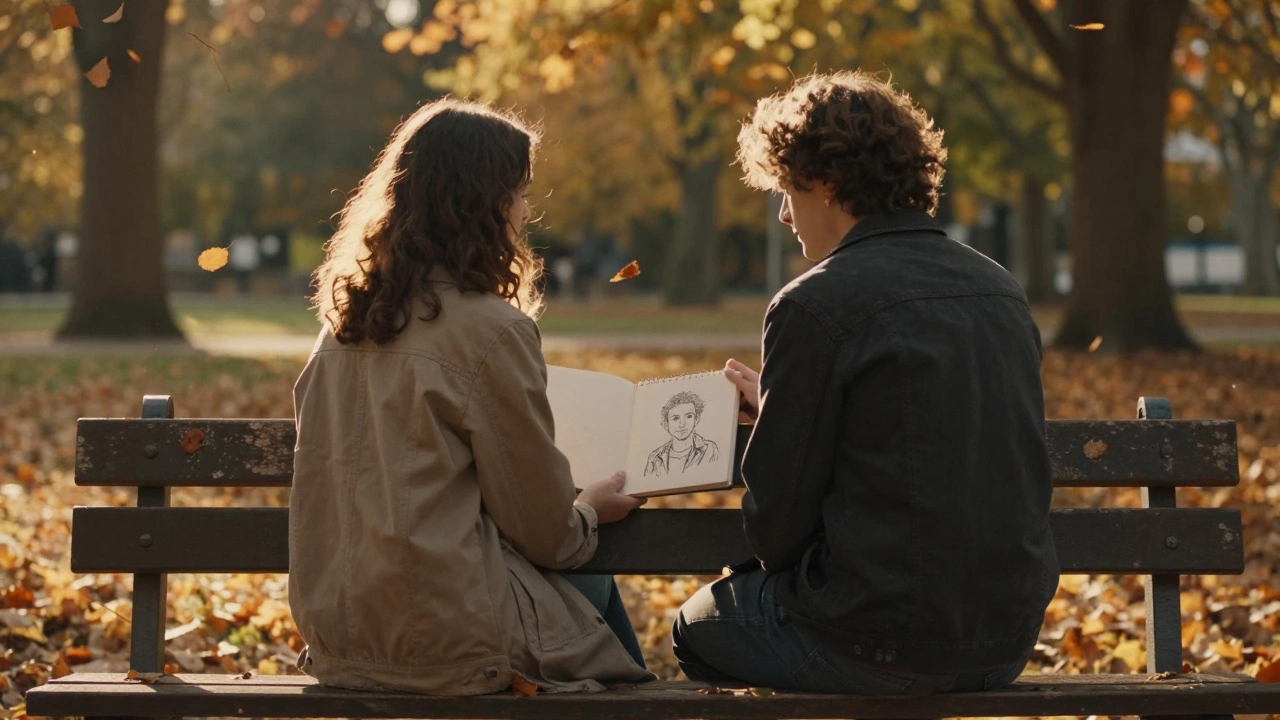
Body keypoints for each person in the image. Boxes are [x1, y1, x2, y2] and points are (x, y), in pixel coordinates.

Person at [671, 70, 1059, 694]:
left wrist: (782, 426)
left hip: (876, 641)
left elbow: (777, 530)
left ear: (825, 181)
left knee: (694, 626)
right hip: (1005, 641)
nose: (782, 212)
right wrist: (785, 403)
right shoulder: (1000, 288)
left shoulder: (814, 304)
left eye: (786, 188)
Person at [289, 98, 654, 697]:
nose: (526, 210)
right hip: (446, 638)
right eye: (520, 193)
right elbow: (546, 533)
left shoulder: (340, 329)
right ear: (483, 205)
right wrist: (588, 509)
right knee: (592, 589)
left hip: (338, 639)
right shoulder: (491, 330)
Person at [644, 391, 719, 477]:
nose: (682, 424)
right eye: (675, 418)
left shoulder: (709, 449)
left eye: (689, 416)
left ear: (696, 420)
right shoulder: (655, 457)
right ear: (666, 425)